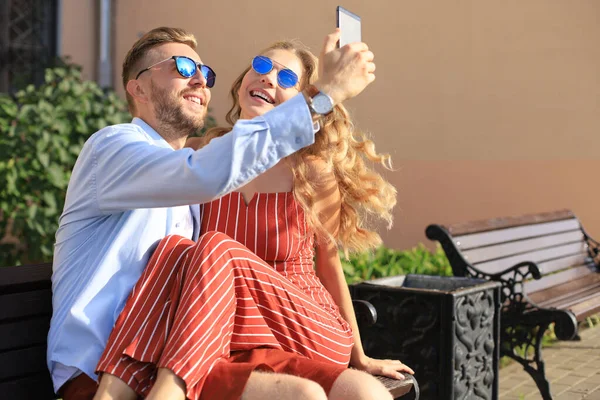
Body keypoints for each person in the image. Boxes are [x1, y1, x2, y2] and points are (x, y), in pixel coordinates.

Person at [48, 26, 377, 400]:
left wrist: (360, 356)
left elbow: (327, 262)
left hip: (208, 346)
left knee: (357, 391)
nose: (200, 79)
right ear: (137, 88)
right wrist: (325, 95)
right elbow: (207, 171)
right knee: (195, 249)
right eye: (184, 67)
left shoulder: (193, 168)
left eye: (205, 74)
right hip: (103, 367)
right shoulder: (114, 148)